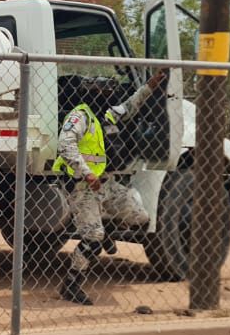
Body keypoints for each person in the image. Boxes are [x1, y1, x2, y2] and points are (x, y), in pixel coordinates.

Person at [52, 68, 168, 305]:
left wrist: (150, 85)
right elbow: (65, 145)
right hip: (83, 188)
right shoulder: (80, 116)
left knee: (141, 217)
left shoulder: (106, 115)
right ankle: (71, 283)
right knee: (93, 238)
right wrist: (87, 174)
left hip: (108, 185)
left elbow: (130, 104)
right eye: (101, 91)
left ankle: (102, 224)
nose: (107, 95)